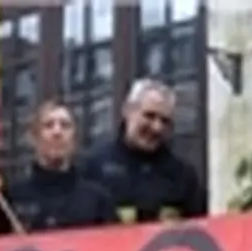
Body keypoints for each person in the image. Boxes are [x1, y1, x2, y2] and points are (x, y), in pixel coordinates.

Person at [80, 78, 207, 223]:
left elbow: (199, 227)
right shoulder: (93, 167)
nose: (157, 128)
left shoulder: (183, 176)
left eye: (165, 121)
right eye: (149, 116)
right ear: (127, 110)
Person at [0, 100, 117, 235]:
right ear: (34, 137)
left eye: (65, 125)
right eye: (48, 125)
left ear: (74, 139)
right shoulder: (11, 199)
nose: (57, 132)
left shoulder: (98, 200)